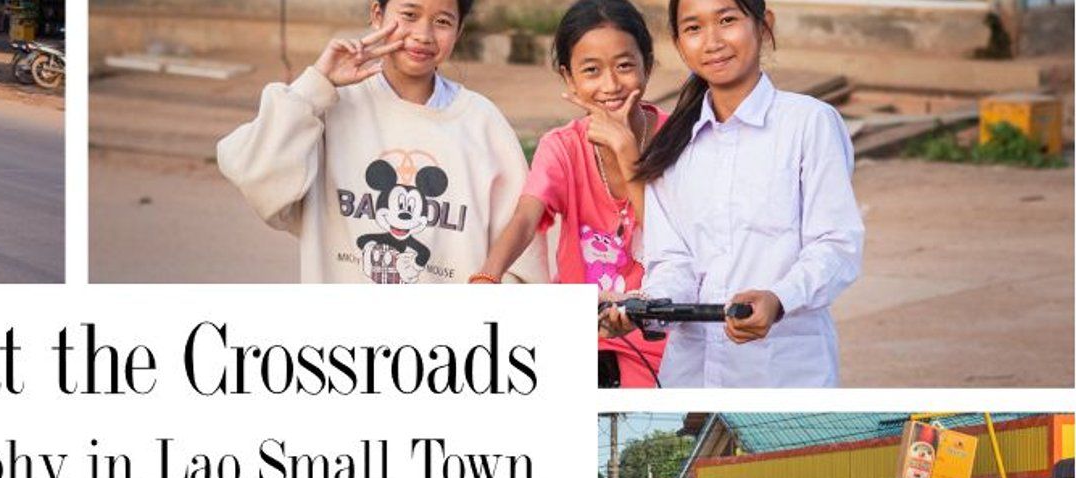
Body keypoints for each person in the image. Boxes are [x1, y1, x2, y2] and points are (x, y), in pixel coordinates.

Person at [598, 0, 862, 387]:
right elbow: (673, 262)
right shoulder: (672, 146)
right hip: (691, 377)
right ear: (678, 42)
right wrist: (642, 308)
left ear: (763, 25)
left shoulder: (809, 124)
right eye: (694, 28)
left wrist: (779, 297)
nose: (713, 41)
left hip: (785, 373)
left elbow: (836, 245)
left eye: (727, 20)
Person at [216, 0, 546, 285]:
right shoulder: (327, 105)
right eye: (410, 14)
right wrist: (314, 85)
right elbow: (253, 174)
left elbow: (523, 257)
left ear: (459, 32)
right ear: (377, 13)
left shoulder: (482, 123)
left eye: (442, 21)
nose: (423, 34)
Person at [473, 0, 670, 387]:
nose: (610, 85)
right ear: (569, 77)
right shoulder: (562, 146)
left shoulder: (676, 139)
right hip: (582, 329)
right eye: (591, 70)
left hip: (656, 333)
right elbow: (526, 215)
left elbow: (671, 239)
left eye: (625, 65)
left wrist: (626, 151)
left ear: (647, 64)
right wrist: (487, 275)